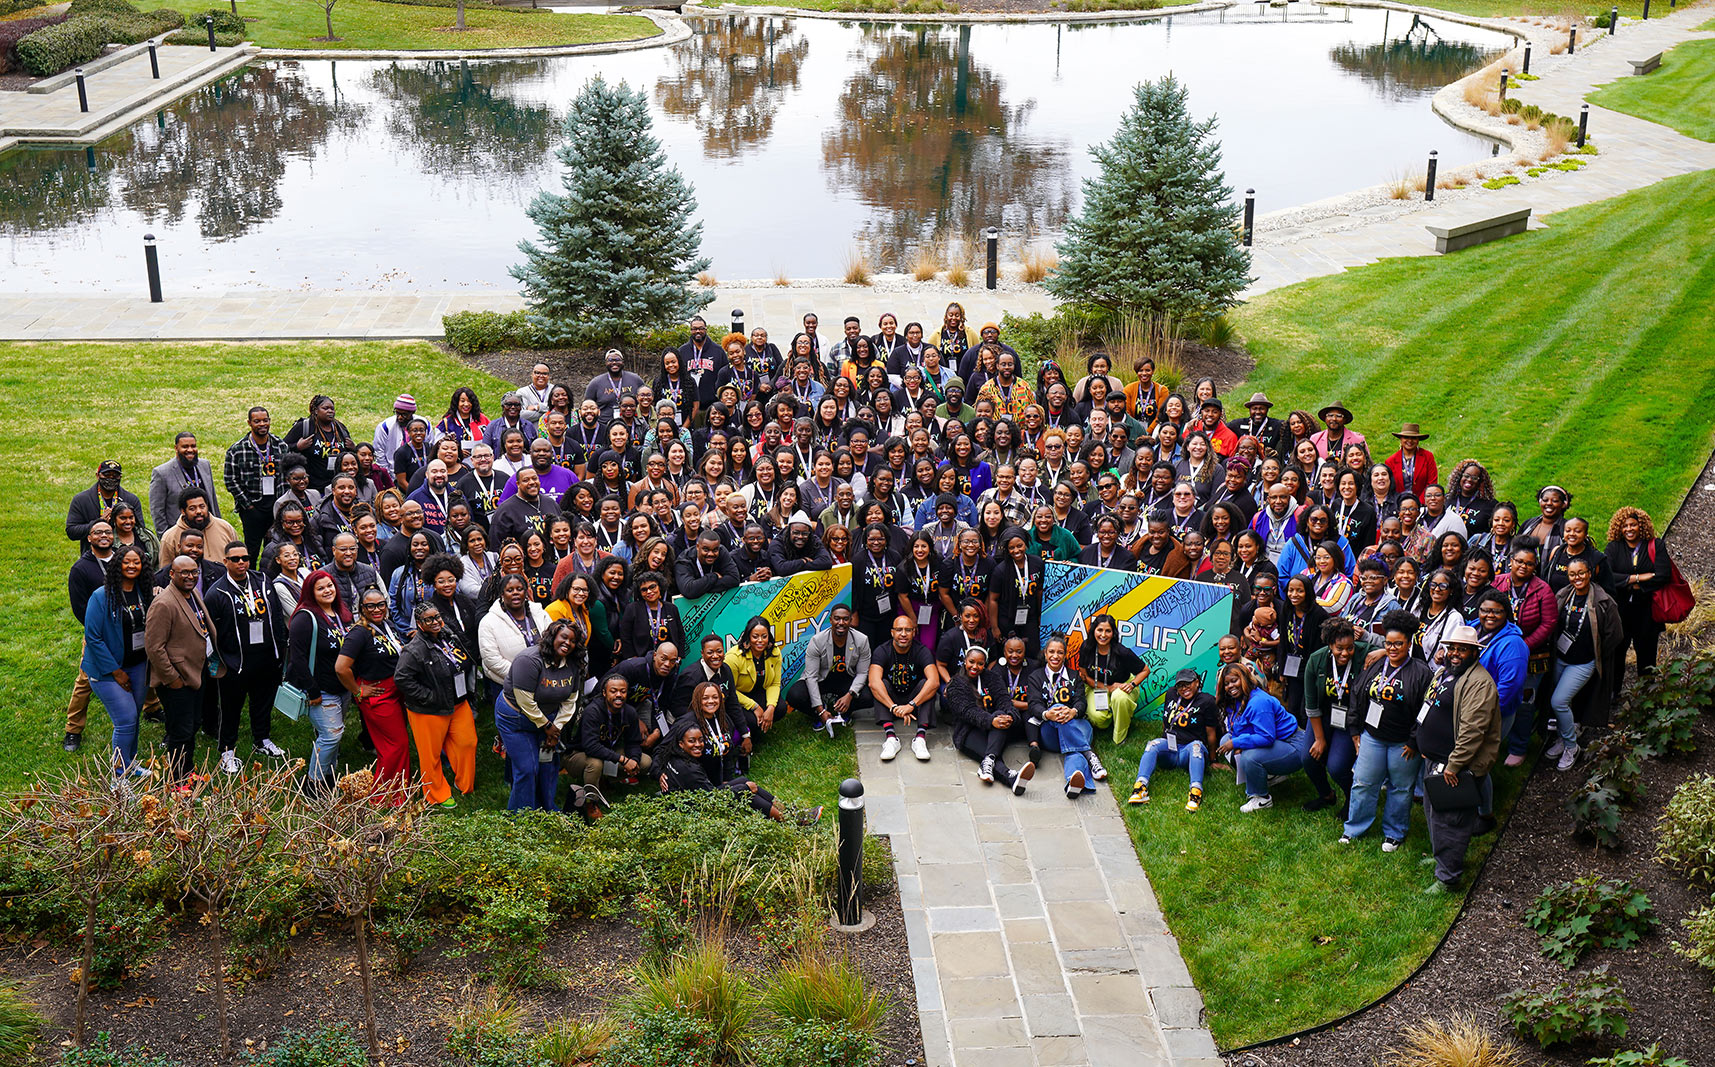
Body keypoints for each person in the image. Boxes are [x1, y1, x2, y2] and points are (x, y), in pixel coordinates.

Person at [1411, 625, 1501, 893]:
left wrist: (1455, 765)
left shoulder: (1479, 683)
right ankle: (1441, 858)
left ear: (1475, 652)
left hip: (1455, 766)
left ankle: (1448, 876)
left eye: (1462, 649)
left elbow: (1473, 731)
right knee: (1433, 812)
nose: (1455, 653)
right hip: (1435, 758)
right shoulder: (1448, 671)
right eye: (1452, 648)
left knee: (1451, 820)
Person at [1341, 612, 1435, 849]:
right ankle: (1354, 828)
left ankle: (1394, 833)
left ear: (1409, 644)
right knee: (1363, 783)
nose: (1392, 649)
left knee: (1400, 789)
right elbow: (1357, 695)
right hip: (1371, 737)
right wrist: (1355, 731)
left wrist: (1414, 741)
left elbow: (1426, 710)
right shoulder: (1375, 665)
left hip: (1402, 743)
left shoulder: (1421, 672)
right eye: (1388, 644)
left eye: (1398, 644)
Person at [205, 539, 288, 773]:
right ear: (225, 562)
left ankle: (262, 739)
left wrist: (279, 651)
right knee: (231, 708)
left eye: (245, 558)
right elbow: (211, 631)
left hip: (266, 658)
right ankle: (227, 751)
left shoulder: (263, 580)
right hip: (235, 662)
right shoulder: (217, 592)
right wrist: (222, 660)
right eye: (235, 559)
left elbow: (276, 615)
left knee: (262, 703)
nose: (241, 563)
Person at [145, 555, 225, 783]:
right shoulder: (163, 603)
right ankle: (178, 780)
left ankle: (187, 771)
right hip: (177, 679)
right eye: (184, 573)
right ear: (171, 574)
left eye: (194, 572)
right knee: (181, 731)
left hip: (196, 672)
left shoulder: (194, 594)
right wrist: (172, 679)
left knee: (193, 724)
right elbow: (154, 647)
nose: (190, 576)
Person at [394, 601, 479, 809]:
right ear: (419, 624)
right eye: (429, 619)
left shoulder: (448, 635)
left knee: (468, 742)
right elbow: (402, 678)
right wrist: (428, 696)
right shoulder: (414, 650)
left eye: (437, 617)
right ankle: (436, 794)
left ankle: (464, 784)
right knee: (430, 755)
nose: (435, 622)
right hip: (429, 710)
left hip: (458, 702)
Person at [497, 619, 584, 812]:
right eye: (563, 637)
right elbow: (525, 700)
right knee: (528, 769)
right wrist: (547, 727)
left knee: (548, 766)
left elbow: (570, 700)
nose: (567, 643)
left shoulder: (573, 663)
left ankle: (546, 810)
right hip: (517, 719)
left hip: (549, 721)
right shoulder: (528, 660)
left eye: (572, 640)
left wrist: (556, 729)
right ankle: (520, 818)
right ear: (552, 636)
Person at [81, 548, 154, 777]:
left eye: (137, 562)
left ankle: (130, 764)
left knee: (134, 717)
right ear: (117, 565)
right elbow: (93, 637)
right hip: (107, 671)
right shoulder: (101, 596)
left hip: (139, 664)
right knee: (125, 718)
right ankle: (118, 776)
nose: (132, 566)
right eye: (126, 562)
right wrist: (116, 671)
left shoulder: (145, 593)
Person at [1546, 558, 1624, 768]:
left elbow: (1615, 635)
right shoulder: (1563, 595)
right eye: (1572, 574)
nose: (1577, 578)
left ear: (1590, 573)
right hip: (1561, 659)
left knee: (1559, 701)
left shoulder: (1604, 601)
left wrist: (1596, 653)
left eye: (1581, 573)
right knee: (1565, 703)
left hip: (1583, 663)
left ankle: (1572, 746)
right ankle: (1563, 737)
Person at [335, 589, 413, 792]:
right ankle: (384, 792)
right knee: (396, 743)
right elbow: (341, 668)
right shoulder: (358, 633)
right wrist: (358, 691)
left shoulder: (387, 625)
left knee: (394, 743)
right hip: (379, 694)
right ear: (362, 608)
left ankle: (399, 785)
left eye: (381, 604)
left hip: (397, 690)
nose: (377, 609)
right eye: (370, 606)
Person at [1300, 617, 1374, 815]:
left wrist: (1383, 651)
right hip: (1322, 716)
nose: (1345, 653)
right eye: (1339, 648)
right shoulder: (1316, 660)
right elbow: (1311, 704)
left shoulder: (1363, 652)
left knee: (1337, 767)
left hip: (1350, 719)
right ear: (1329, 644)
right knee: (1308, 758)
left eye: (1349, 648)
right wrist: (1319, 738)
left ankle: (1352, 798)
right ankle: (1326, 795)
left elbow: (1393, 648)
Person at [1216, 665, 1305, 813]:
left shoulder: (1258, 701)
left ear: (1244, 679)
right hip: (1278, 742)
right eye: (1227, 683)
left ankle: (1262, 798)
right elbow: (1240, 729)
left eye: (1234, 680)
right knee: (1225, 739)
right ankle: (1270, 776)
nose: (1230, 686)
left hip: (1294, 745)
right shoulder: (1237, 700)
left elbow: (1266, 737)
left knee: (1249, 756)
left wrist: (1237, 743)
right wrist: (1236, 741)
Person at [1128, 668, 1219, 812]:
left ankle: (1195, 793)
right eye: (1180, 685)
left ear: (1197, 683)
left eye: (1188, 683)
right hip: (1170, 748)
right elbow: (1166, 720)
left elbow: (1211, 733)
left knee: (1196, 746)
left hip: (1189, 753)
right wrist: (1164, 739)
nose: (1184, 688)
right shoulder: (1171, 694)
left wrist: (1213, 760)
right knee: (1152, 745)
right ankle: (1140, 787)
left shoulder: (1207, 701)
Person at [946, 645, 1034, 794]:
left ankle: (989, 762)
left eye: (980, 664)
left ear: (985, 664)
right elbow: (967, 711)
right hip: (969, 731)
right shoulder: (956, 684)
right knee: (992, 736)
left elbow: (1004, 700)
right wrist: (991, 720)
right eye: (972, 662)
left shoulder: (992, 677)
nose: (975, 667)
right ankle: (1010, 777)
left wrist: (1010, 716)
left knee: (1000, 714)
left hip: (995, 728)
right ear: (965, 661)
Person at [1604, 506, 1673, 694]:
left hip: (1647, 612)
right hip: (1620, 612)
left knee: (1647, 656)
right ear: (1619, 527)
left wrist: (1627, 582)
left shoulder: (1655, 545)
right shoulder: (1613, 548)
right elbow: (1607, 575)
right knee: (1617, 655)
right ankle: (1613, 695)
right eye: (1625, 525)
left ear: (1640, 526)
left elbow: (1663, 575)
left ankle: (1647, 697)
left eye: (1633, 525)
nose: (1629, 529)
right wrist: (1637, 578)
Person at [568, 671, 649, 811]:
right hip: (578, 754)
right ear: (604, 693)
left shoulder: (629, 712)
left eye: (623, 691)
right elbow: (591, 747)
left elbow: (633, 742)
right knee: (595, 764)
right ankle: (590, 802)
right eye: (613, 691)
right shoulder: (593, 711)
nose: (618, 695)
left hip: (608, 751)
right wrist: (623, 760)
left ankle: (605, 780)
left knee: (645, 762)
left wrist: (634, 759)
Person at [1025, 636, 1095, 799]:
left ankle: (1074, 782)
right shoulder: (1035, 676)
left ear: (1065, 655)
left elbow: (1081, 702)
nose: (1055, 656)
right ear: (1045, 653)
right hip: (1050, 732)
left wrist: (1072, 712)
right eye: (1051, 652)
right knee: (1057, 708)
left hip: (1076, 725)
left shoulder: (1074, 675)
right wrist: (1047, 714)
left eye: (1060, 652)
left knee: (1073, 751)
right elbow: (1033, 704)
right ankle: (1089, 754)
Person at [786, 603, 872, 734]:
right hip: (822, 679)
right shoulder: (817, 641)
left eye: (845, 619)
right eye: (837, 618)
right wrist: (819, 709)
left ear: (851, 620)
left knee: (868, 696)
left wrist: (850, 695)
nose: (841, 623)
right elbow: (811, 677)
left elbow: (862, 673)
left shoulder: (862, 640)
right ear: (830, 620)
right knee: (794, 695)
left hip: (845, 679)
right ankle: (819, 714)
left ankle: (844, 711)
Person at [870, 614, 937, 762]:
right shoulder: (882, 651)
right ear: (892, 632)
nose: (903, 634)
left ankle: (920, 738)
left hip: (914, 699)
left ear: (914, 632)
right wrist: (894, 707)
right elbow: (873, 682)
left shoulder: (922, 651)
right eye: (899, 629)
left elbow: (934, 682)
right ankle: (891, 738)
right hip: (891, 699)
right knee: (881, 685)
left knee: (926, 685)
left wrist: (911, 705)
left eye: (908, 630)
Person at [225, 407, 286, 558]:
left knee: (274, 548)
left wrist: (283, 504)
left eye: (265, 420)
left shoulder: (280, 445)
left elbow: (287, 476)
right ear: (249, 423)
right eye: (257, 421)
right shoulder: (237, 450)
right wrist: (249, 506)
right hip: (252, 509)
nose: (262, 424)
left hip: (276, 506)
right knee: (251, 550)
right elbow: (230, 480)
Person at [478, 574, 553, 690]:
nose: (515, 593)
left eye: (519, 589)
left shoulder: (539, 613)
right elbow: (491, 659)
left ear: (526, 592)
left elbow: (553, 641)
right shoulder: (488, 622)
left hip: (543, 679)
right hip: (507, 684)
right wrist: (524, 675)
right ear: (502, 595)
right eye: (509, 590)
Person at [150, 432, 221, 534]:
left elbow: (212, 500)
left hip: (208, 529)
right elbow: (157, 511)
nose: (190, 450)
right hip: (181, 534)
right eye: (185, 447)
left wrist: (218, 526)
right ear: (176, 448)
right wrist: (165, 536)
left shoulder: (205, 465)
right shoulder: (161, 473)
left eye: (193, 446)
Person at [727, 616, 782, 742]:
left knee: (780, 708)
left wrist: (771, 708)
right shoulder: (733, 657)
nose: (760, 640)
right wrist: (754, 706)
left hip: (758, 691)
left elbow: (775, 683)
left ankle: (760, 727)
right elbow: (729, 690)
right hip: (738, 697)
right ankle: (747, 735)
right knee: (751, 720)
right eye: (755, 636)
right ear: (748, 637)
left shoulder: (774, 652)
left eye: (764, 636)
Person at [68, 459, 145, 548]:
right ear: (97, 475)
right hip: (94, 555)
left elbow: (140, 530)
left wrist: (121, 523)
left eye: (115, 476)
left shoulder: (131, 500)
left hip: (124, 555)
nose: (111, 479)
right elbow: (72, 532)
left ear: (120, 477)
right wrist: (99, 522)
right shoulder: (81, 500)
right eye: (106, 475)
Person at [158, 486, 238, 563]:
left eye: (202, 506)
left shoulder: (225, 528)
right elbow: (165, 572)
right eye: (192, 508)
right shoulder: (170, 537)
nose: (199, 511)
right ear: (183, 511)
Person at [675, 531, 739, 600]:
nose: (710, 554)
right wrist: (714, 576)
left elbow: (734, 579)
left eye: (715, 550)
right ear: (697, 546)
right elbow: (688, 590)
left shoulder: (721, 551)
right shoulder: (684, 560)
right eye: (706, 550)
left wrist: (699, 588)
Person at [1384, 423, 1438, 498]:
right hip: (1399, 504)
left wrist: (1419, 503)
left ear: (1418, 440)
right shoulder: (1390, 461)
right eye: (1406, 437)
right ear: (1401, 439)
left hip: (1423, 503)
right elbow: (1389, 487)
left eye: (1414, 438)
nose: (1410, 440)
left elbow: (1432, 483)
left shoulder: (1428, 457)